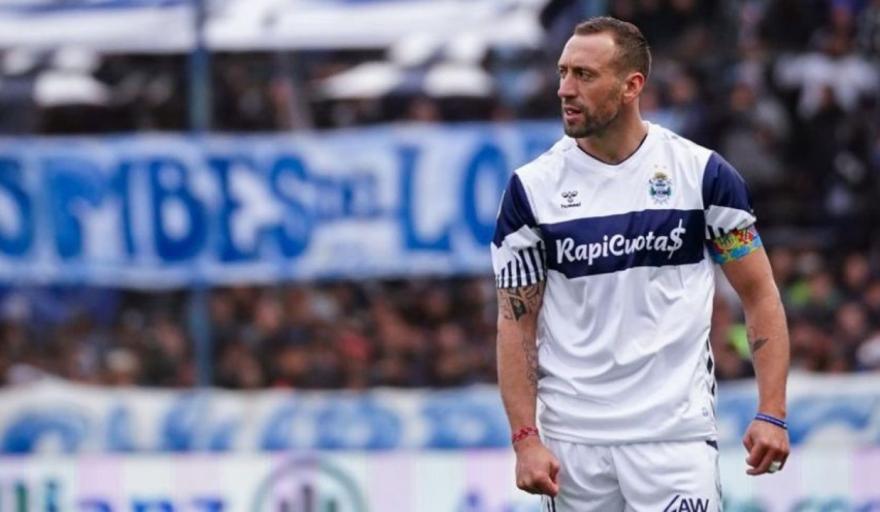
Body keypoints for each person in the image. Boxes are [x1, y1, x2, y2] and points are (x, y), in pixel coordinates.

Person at [491, 17, 790, 511]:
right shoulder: (531, 190)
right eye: (563, 73)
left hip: (675, 439)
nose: (565, 89)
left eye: (584, 75)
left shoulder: (703, 175)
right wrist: (525, 439)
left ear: (632, 86)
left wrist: (772, 411)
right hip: (574, 447)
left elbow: (760, 294)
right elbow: (515, 321)